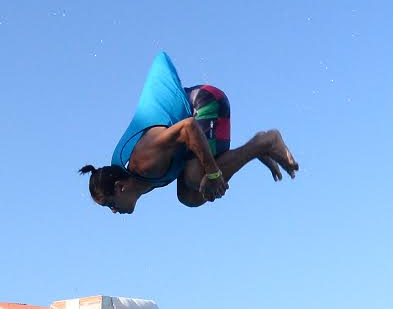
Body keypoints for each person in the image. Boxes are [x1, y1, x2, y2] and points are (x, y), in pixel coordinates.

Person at [82, 51, 298, 215]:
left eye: (110, 204)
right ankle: (257, 148)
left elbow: (188, 127)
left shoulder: (144, 161)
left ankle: (266, 142)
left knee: (198, 177)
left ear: (120, 187)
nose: (113, 211)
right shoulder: (132, 180)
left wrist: (214, 174)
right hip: (191, 122)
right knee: (190, 197)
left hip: (205, 102)